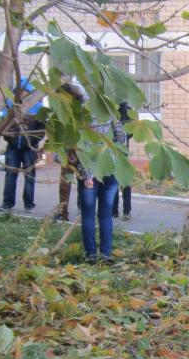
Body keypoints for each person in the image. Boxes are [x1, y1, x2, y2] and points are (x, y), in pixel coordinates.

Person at [81, 110, 124, 260]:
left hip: (90, 173)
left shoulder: (83, 116)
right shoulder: (110, 113)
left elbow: (82, 147)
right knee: (105, 215)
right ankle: (106, 253)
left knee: (88, 215)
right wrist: (111, 152)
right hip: (110, 170)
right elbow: (122, 137)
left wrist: (87, 176)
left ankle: (91, 255)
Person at [0, 84, 45, 211]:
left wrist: (31, 141)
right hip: (13, 147)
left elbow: (42, 129)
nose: (21, 93)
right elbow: (4, 125)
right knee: (10, 174)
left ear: (30, 93)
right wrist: (9, 138)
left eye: (25, 91)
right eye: (19, 90)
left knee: (29, 175)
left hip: (29, 148)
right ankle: (7, 203)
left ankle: (29, 204)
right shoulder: (11, 106)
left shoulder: (38, 108)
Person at [52, 82, 85, 222]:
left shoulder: (82, 112)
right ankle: (63, 213)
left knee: (84, 183)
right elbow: (56, 133)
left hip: (82, 153)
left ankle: (83, 211)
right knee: (64, 185)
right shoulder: (59, 113)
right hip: (66, 153)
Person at [111, 102, 133, 221]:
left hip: (122, 150)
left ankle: (126, 211)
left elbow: (131, 132)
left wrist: (119, 138)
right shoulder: (109, 108)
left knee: (124, 181)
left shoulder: (128, 110)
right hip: (111, 150)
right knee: (113, 180)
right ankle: (114, 210)